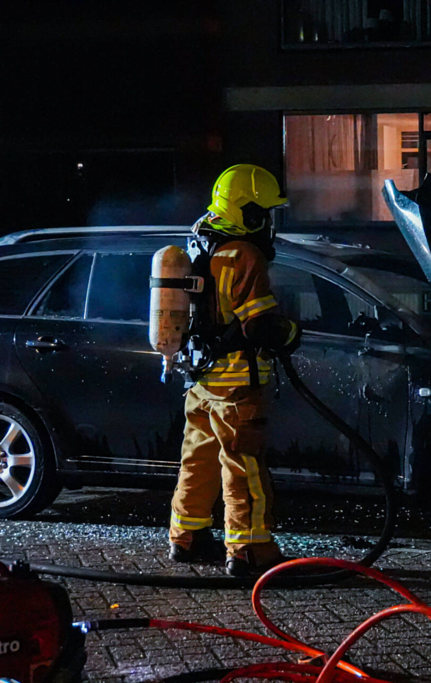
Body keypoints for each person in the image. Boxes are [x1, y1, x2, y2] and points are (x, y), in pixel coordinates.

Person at [168, 164, 301, 577]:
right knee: (243, 466)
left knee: (197, 461)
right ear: (250, 212)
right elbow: (258, 324)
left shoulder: (200, 245)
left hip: (201, 379)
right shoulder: (243, 255)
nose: (270, 223)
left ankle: (185, 538)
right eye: (266, 212)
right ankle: (249, 550)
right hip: (236, 384)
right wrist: (292, 331)